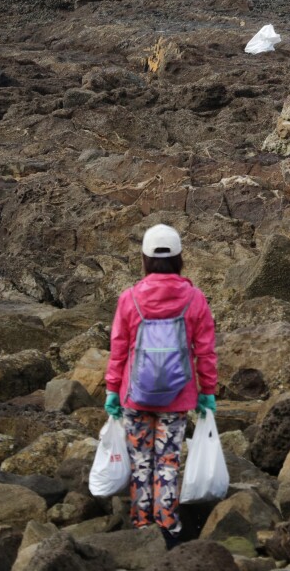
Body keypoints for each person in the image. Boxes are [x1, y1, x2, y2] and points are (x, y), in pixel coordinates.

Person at [104, 224, 218, 549]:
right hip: (179, 396)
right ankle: (168, 525)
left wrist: (113, 390)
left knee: (140, 460)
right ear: (180, 259)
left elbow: (118, 349)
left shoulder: (130, 298)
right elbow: (205, 351)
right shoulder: (194, 299)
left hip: (134, 395)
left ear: (144, 259)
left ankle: (141, 525)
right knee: (167, 461)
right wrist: (207, 392)